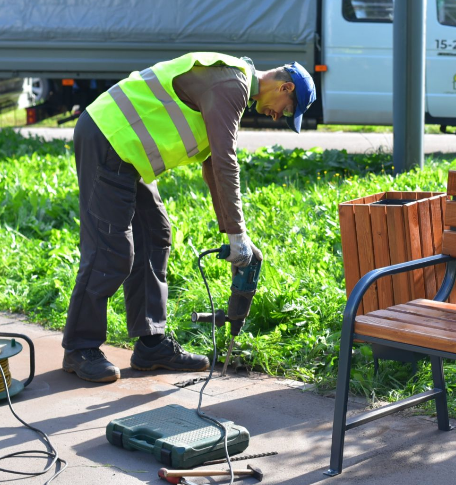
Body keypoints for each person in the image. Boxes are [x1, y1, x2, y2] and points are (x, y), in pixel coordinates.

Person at [62, 53, 316, 382]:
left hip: (129, 154)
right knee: (110, 250)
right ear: (285, 87)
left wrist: (233, 232)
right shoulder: (232, 84)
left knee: (156, 235)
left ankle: (151, 344)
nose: (278, 115)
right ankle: (79, 347)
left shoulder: (231, 87)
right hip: (107, 138)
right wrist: (238, 235)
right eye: (287, 109)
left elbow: (212, 166)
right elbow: (226, 161)